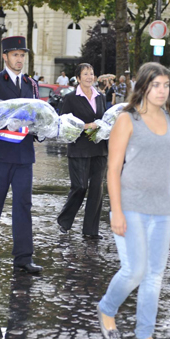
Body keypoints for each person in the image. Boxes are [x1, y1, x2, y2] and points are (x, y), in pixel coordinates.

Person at [97, 62, 170, 339]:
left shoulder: (169, 119)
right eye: (156, 85)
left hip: (162, 210)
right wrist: (117, 211)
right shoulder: (127, 119)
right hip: (131, 206)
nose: (162, 91)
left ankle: (145, 334)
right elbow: (113, 169)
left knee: (154, 275)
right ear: (143, 87)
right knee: (135, 270)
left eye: (166, 85)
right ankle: (107, 308)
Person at [0, 36, 42, 274]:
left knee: (24, 205)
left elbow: (37, 114)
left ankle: (24, 257)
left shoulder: (30, 84)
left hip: (24, 154)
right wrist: (9, 123)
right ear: (5, 56)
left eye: (22, 55)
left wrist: (41, 129)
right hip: (0, 153)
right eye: (15, 55)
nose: (19, 59)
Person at [57, 63, 108, 239]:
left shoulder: (101, 97)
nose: (89, 77)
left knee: (96, 190)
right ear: (78, 78)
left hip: (100, 148)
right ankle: (64, 221)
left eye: (91, 73)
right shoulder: (70, 98)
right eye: (85, 74)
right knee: (80, 186)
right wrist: (87, 126)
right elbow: (64, 124)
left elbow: (104, 119)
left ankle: (91, 230)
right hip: (79, 148)